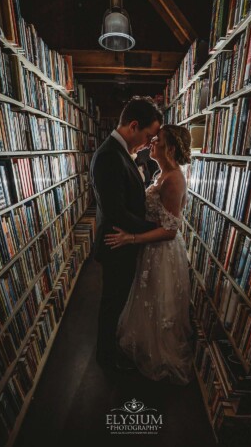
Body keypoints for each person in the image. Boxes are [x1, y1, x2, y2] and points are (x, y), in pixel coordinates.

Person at [105, 125, 193, 385]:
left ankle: (160, 355)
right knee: (147, 300)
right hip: (151, 249)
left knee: (160, 302)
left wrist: (131, 238)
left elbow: (169, 230)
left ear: (171, 148)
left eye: (158, 140)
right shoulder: (161, 173)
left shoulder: (174, 179)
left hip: (162, 252)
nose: (152, 142)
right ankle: (146, 346)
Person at [90, 96, 163, 371]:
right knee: (112, 303)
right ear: (133, 125)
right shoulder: (110, 155)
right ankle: (106, 357)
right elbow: (116, 212)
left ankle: (109, 349)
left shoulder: (119, 152)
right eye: (148, 135)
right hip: (116, 245)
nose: (148, 142)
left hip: (121, 242)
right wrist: (155, 229)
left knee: (117, 300)